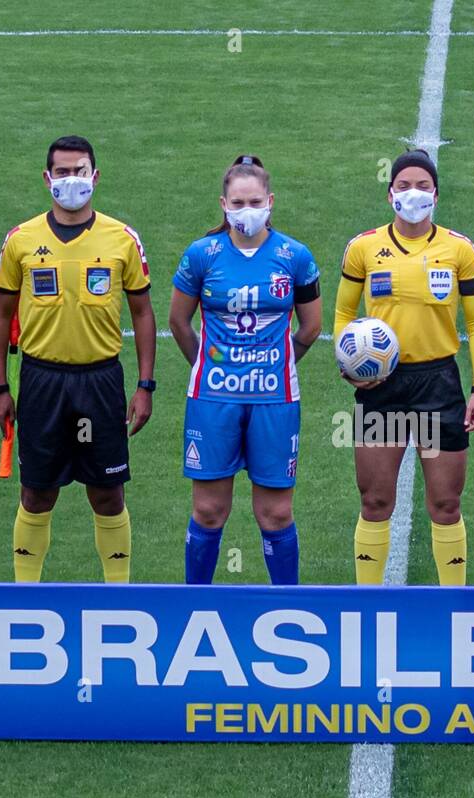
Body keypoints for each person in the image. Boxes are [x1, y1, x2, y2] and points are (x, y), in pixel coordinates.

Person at [0, 135, 157, 583]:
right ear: (47, 179)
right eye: (62, 172)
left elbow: (142, 312)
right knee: (36, 493)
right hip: (41, 381)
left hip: (101, 381)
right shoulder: (21, 239)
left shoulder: (122, 238)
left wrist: (145, 386)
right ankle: (25, 595)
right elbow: (0, 313)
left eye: (79, 171)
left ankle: (118, 596)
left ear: (95, 177)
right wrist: (0, 387)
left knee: (108, 493)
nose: (71, 180)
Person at [334, 149, 474, 585]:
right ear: (390, 195)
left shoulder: (459, 249)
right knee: (375, 502)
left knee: (445, 504)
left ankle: (451, 602)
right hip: (379, 387)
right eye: (404, 185)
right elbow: (343, 316)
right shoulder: (363, 248)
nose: (413, 193)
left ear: (436, 194)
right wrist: (348, 365)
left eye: (422, 186)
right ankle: (369, 602)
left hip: (439, 384)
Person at [167, 155, 322, 584]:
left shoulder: (295, 256)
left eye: (254, 200)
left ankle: (287, 605)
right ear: (224, 203)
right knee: (209, 511)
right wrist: (210, 363)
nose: (246, 209)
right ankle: (195, 603)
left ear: (270, 201)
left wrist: (275, 362)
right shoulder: (202, 254)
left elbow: (311, 328)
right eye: (238, 202)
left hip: (275, 398)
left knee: (275, 513)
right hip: (213, 398)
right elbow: (179, 322)